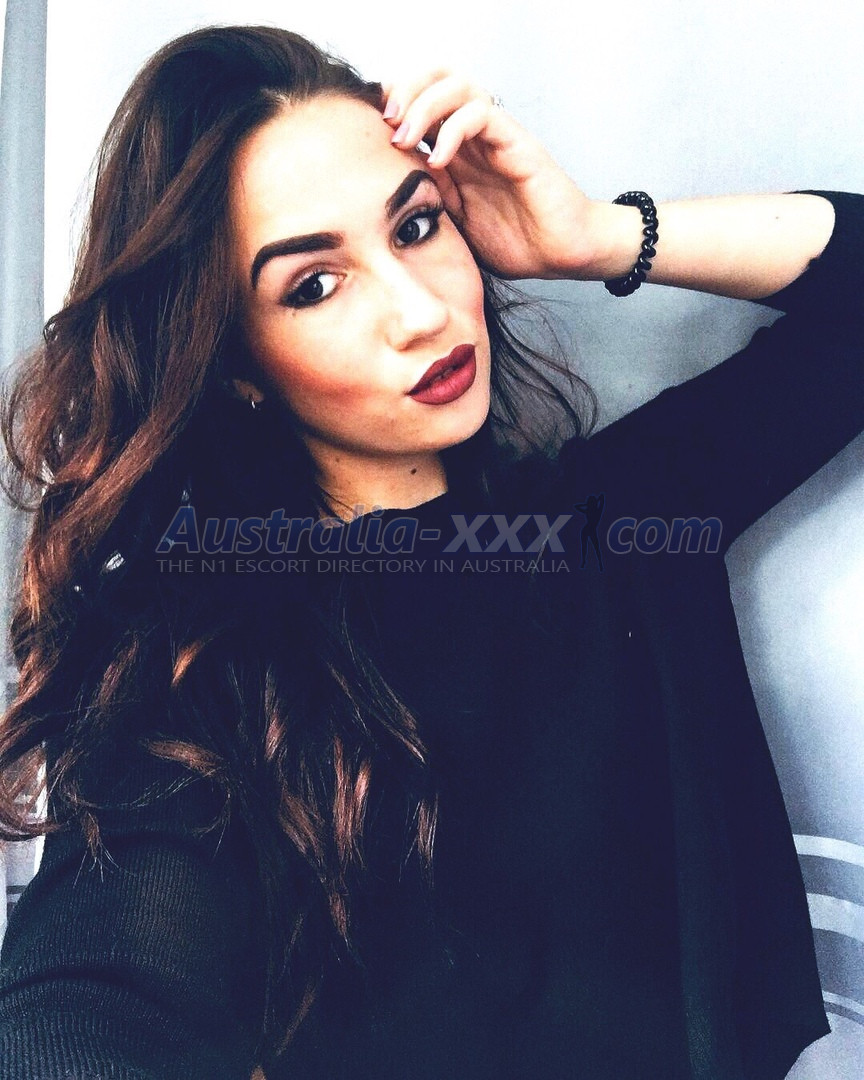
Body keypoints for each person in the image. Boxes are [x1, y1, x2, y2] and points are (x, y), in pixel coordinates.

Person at [0, 22, 860, 1080]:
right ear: (235, 365)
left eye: (416, 226)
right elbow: (87, 997)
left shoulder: (623, 517)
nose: (418, 312)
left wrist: (594, 236)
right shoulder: (207, 653)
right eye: (314, 285)